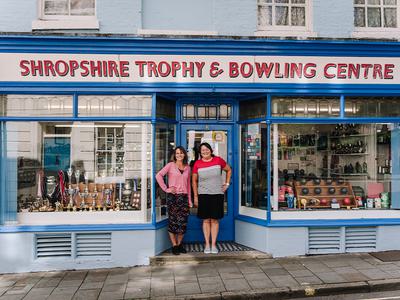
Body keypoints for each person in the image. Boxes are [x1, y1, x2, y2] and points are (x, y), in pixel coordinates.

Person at [192, 142, 232, 254]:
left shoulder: (218, 160)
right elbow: (194, 181)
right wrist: (195, 196)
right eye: (202, 150)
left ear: (211, 150)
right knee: (206, 220)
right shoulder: (197, 164)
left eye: (207, 149)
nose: (205, 151)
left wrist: (227, 184)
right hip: (203, 195)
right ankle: (207, 244)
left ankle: (214, 245)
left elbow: (229, 170)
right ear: (200, 152)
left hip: (217, 194)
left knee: (214, 220)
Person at [156, 146, 192, 255]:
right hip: (173, 198)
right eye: (177, 153)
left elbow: (188, 185)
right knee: (173, 222)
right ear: (174, 155)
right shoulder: (170, 165)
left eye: (181, 153)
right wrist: (166, 189)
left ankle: (179, 244)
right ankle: (174, 245)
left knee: (183, 224)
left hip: (184, 198)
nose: (179, 155)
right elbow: (158, 175)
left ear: (184, 154)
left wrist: (190, 200)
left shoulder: (188, 168)